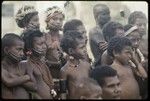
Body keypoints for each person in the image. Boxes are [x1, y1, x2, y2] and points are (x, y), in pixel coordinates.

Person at [22, 30, 56, 99]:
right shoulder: (27, 65)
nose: (44, 47)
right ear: (29, 48)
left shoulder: (42, 63)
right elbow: (32, 88)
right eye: (40, 44)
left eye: (44, 43)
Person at [2, 33, 37, 99]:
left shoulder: (24, 65)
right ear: (6, 50)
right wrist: (26, 77)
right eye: (18, 49)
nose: (22, 54)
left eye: (22, 50)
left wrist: (15, 78)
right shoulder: (2, 67)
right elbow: (9, 82)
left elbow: (34, 86)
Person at [60, 31, 91, 99]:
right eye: (82, 48)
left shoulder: (87, 66)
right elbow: (63, 93)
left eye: (85, 46)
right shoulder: (65, 70)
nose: (85, 50)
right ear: (71, 51)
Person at [124, 24, 148, 99]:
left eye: (138, 39)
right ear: (125, 39)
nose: (136, 43)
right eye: (133, 40)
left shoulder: (138, 52)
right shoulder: (125, 56)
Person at [44, 6, 65, 79]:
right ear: (47, 20)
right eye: (54, 19)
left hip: (64, 74)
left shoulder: (64, 37)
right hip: (48, 74)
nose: (58, 22)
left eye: (61, 19)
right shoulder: (43, 37)